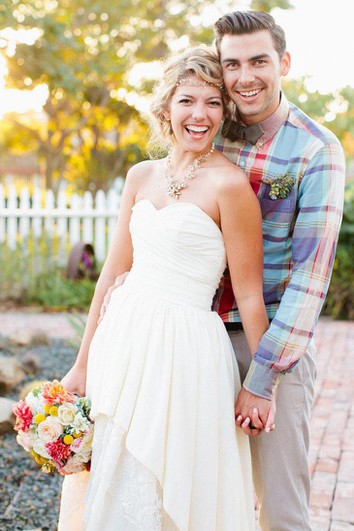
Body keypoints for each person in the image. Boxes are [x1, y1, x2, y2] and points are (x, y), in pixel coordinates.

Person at [58, 46, 273, 531]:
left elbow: (249, 295)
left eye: (213, 103)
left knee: (177, 481)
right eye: (187, 101)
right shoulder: (140, 176)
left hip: (188, 354)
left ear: (225, 113)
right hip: (124, 341)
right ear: (166, 109)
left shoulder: (231, 187)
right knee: (116, 474)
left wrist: (263, 384)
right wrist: (82, 363)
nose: (200, 115)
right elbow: (112, 273)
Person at [212, 10, 345, 531]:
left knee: (283, 512)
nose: (245, 77)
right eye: (232, 64)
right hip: (197, 339)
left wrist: (262, 379)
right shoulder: (204, 128)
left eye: (259, 61)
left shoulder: (316, 150)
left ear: (284, 62)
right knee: (204, 496)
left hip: (272, 350)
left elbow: (310, 282)